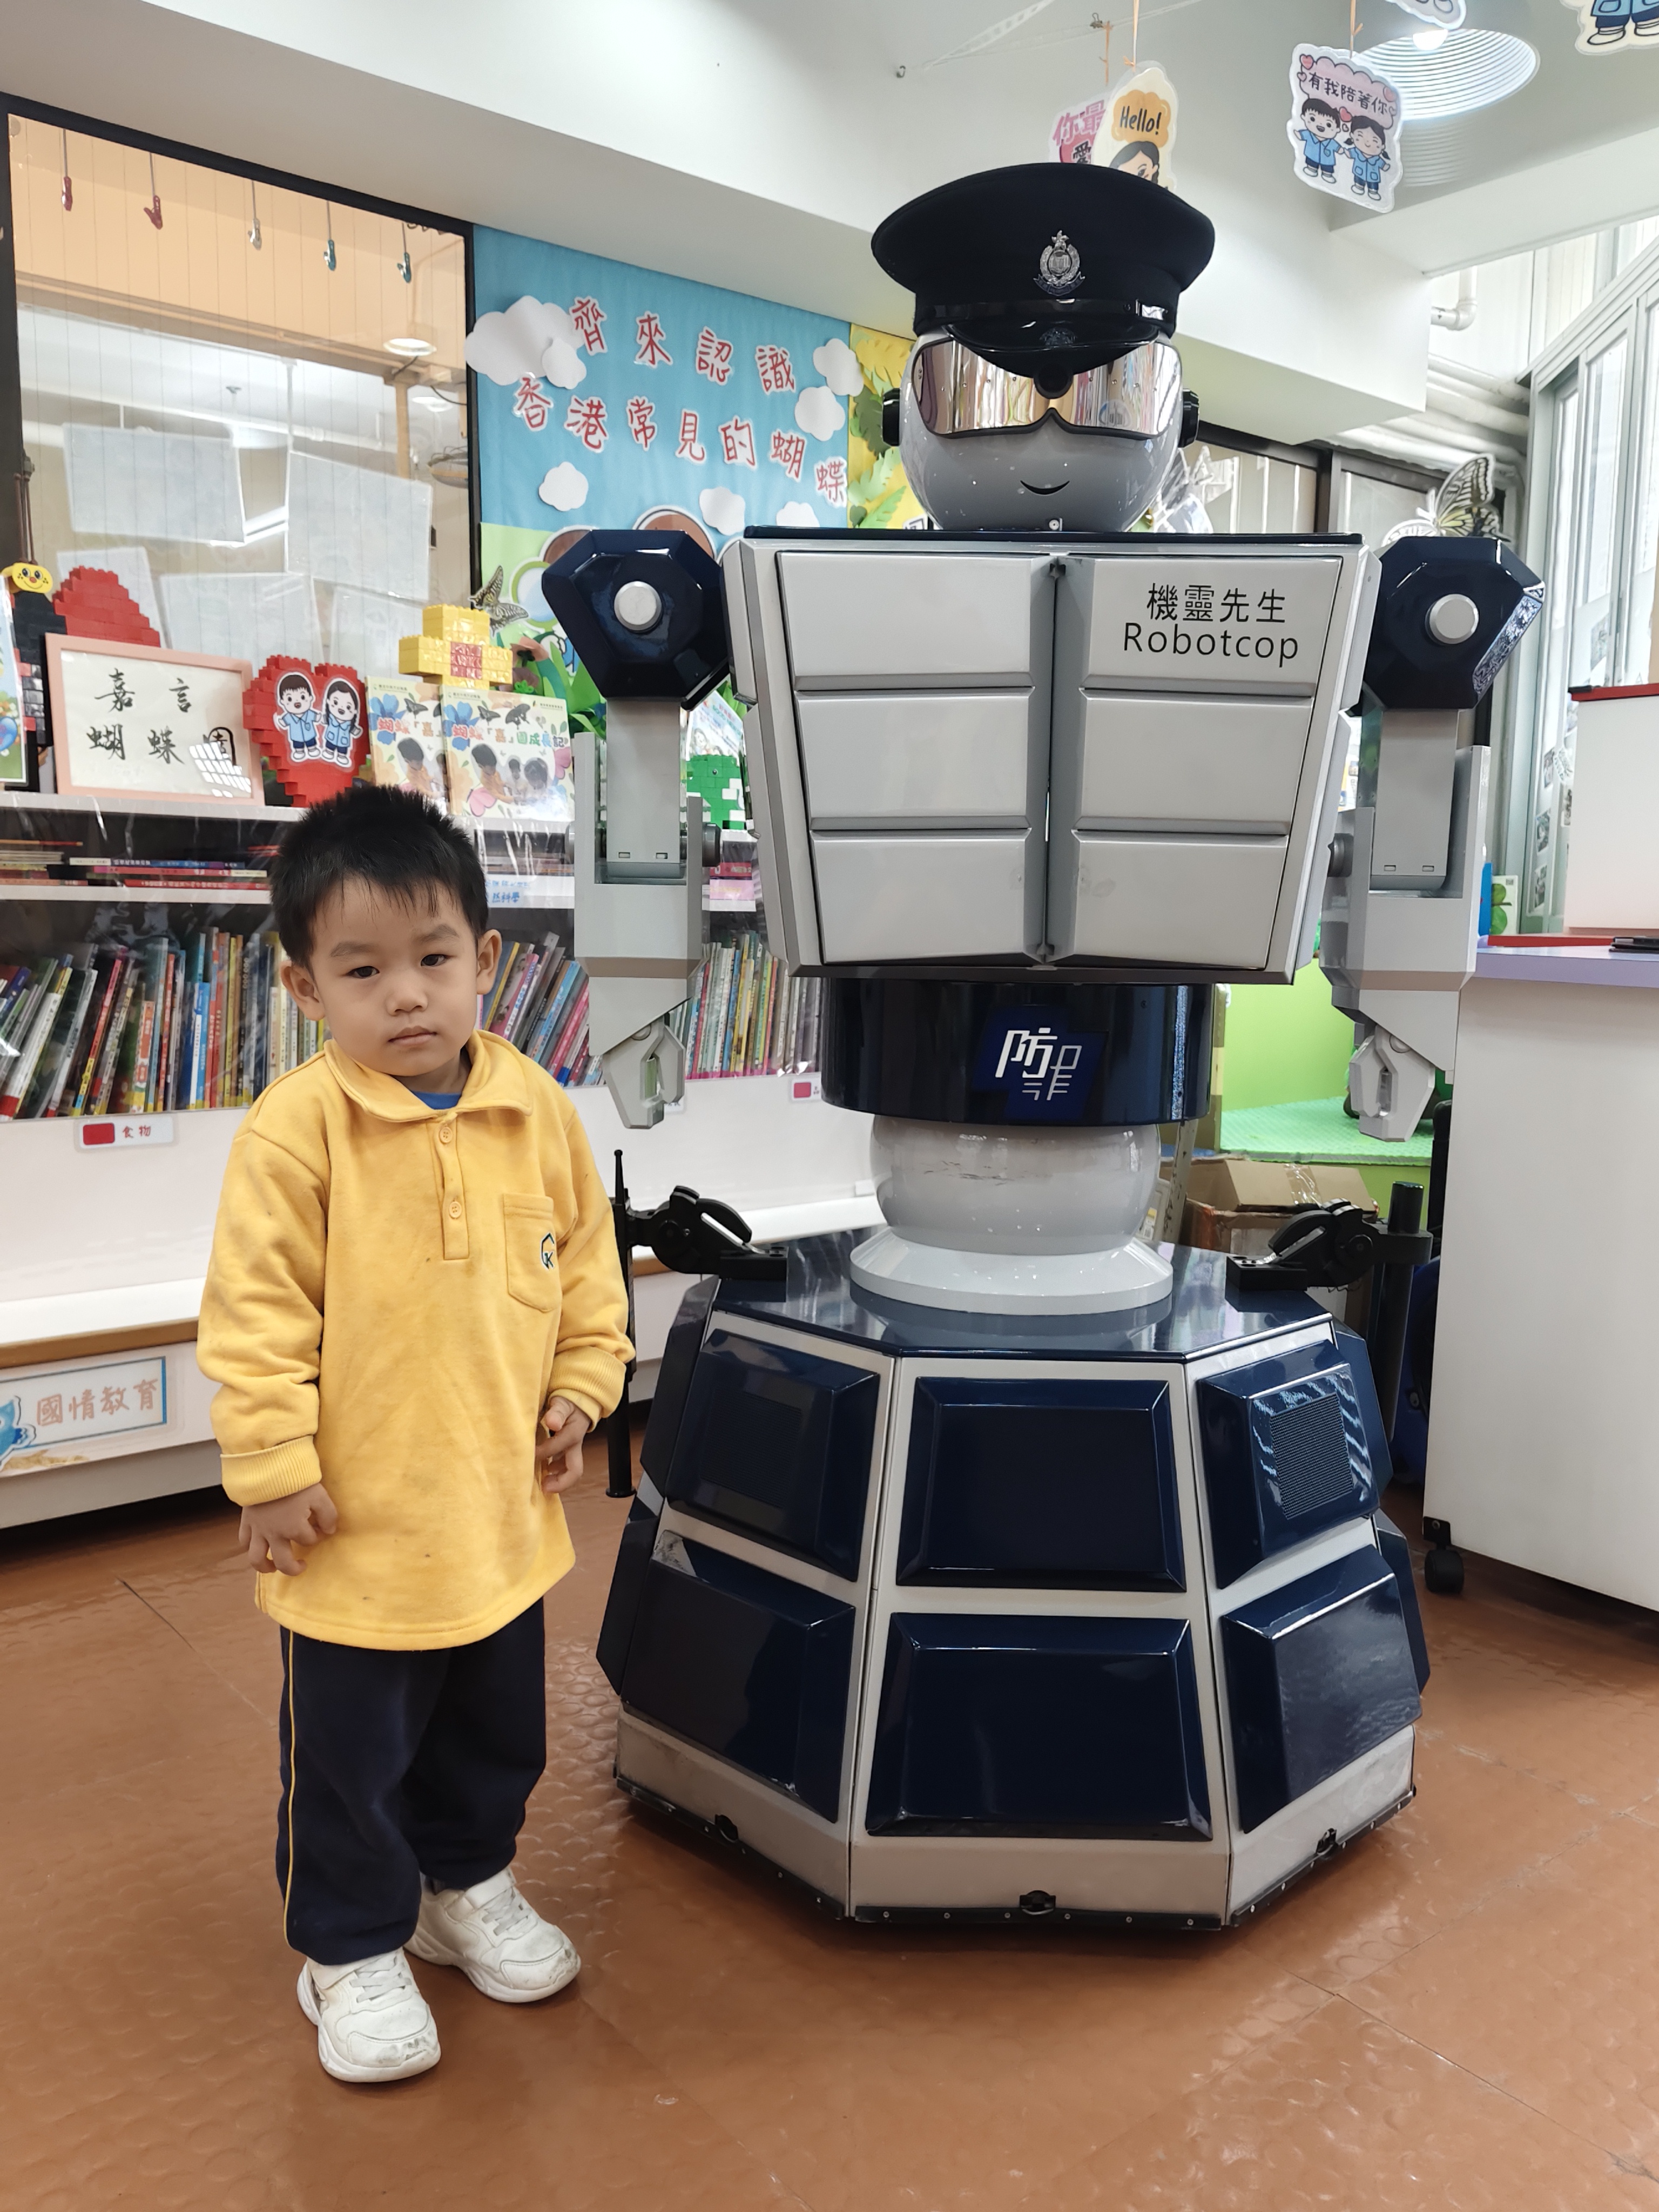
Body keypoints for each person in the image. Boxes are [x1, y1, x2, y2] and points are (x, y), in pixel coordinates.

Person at [197, 784, 631, 2086]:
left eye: (434, 959)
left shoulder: (537, 1109)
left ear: (484, 958)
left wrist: (582, 1386)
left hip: (498, 1521)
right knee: (351, 1756)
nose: (407, 996)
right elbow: (254, 1314)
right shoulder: (296, 1133)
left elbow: (587, 1272)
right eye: (362, 970)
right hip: (356, 1538)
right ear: (302, 986)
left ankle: (462, 1884)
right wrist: (270, 1469)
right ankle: (347, 1944)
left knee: (495, 1735)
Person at [1293, 96, 1341, 181]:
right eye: (1313, 119)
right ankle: (1312, 169)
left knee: (1328, 168)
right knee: (1311, 163)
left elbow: (1338, 148)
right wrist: (1297, 134)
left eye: (1329, 125)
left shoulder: (1331, 142)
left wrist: (1341, 150)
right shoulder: (1309, 134)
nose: (1321, 125)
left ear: (1337, 130)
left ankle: (1327, 175)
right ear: (1304, 117)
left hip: (1327, 160)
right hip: (1311, 155)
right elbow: (1301, 135)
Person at [1345, 114, 1391, 201]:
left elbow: (1382, 164)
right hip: (1359, 172)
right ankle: (1359, 187)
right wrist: (1346, 152)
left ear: (1382, 147)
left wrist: (1385, 167)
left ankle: (1373, 191)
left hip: (1373, 176)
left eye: (1375, 141)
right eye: (1360, 136)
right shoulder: (1357, 152)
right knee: (1359, 180)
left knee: (1373, 183)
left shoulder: (1377, 159)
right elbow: (1350, 153)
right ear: (1352, 136)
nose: (1367, 143)